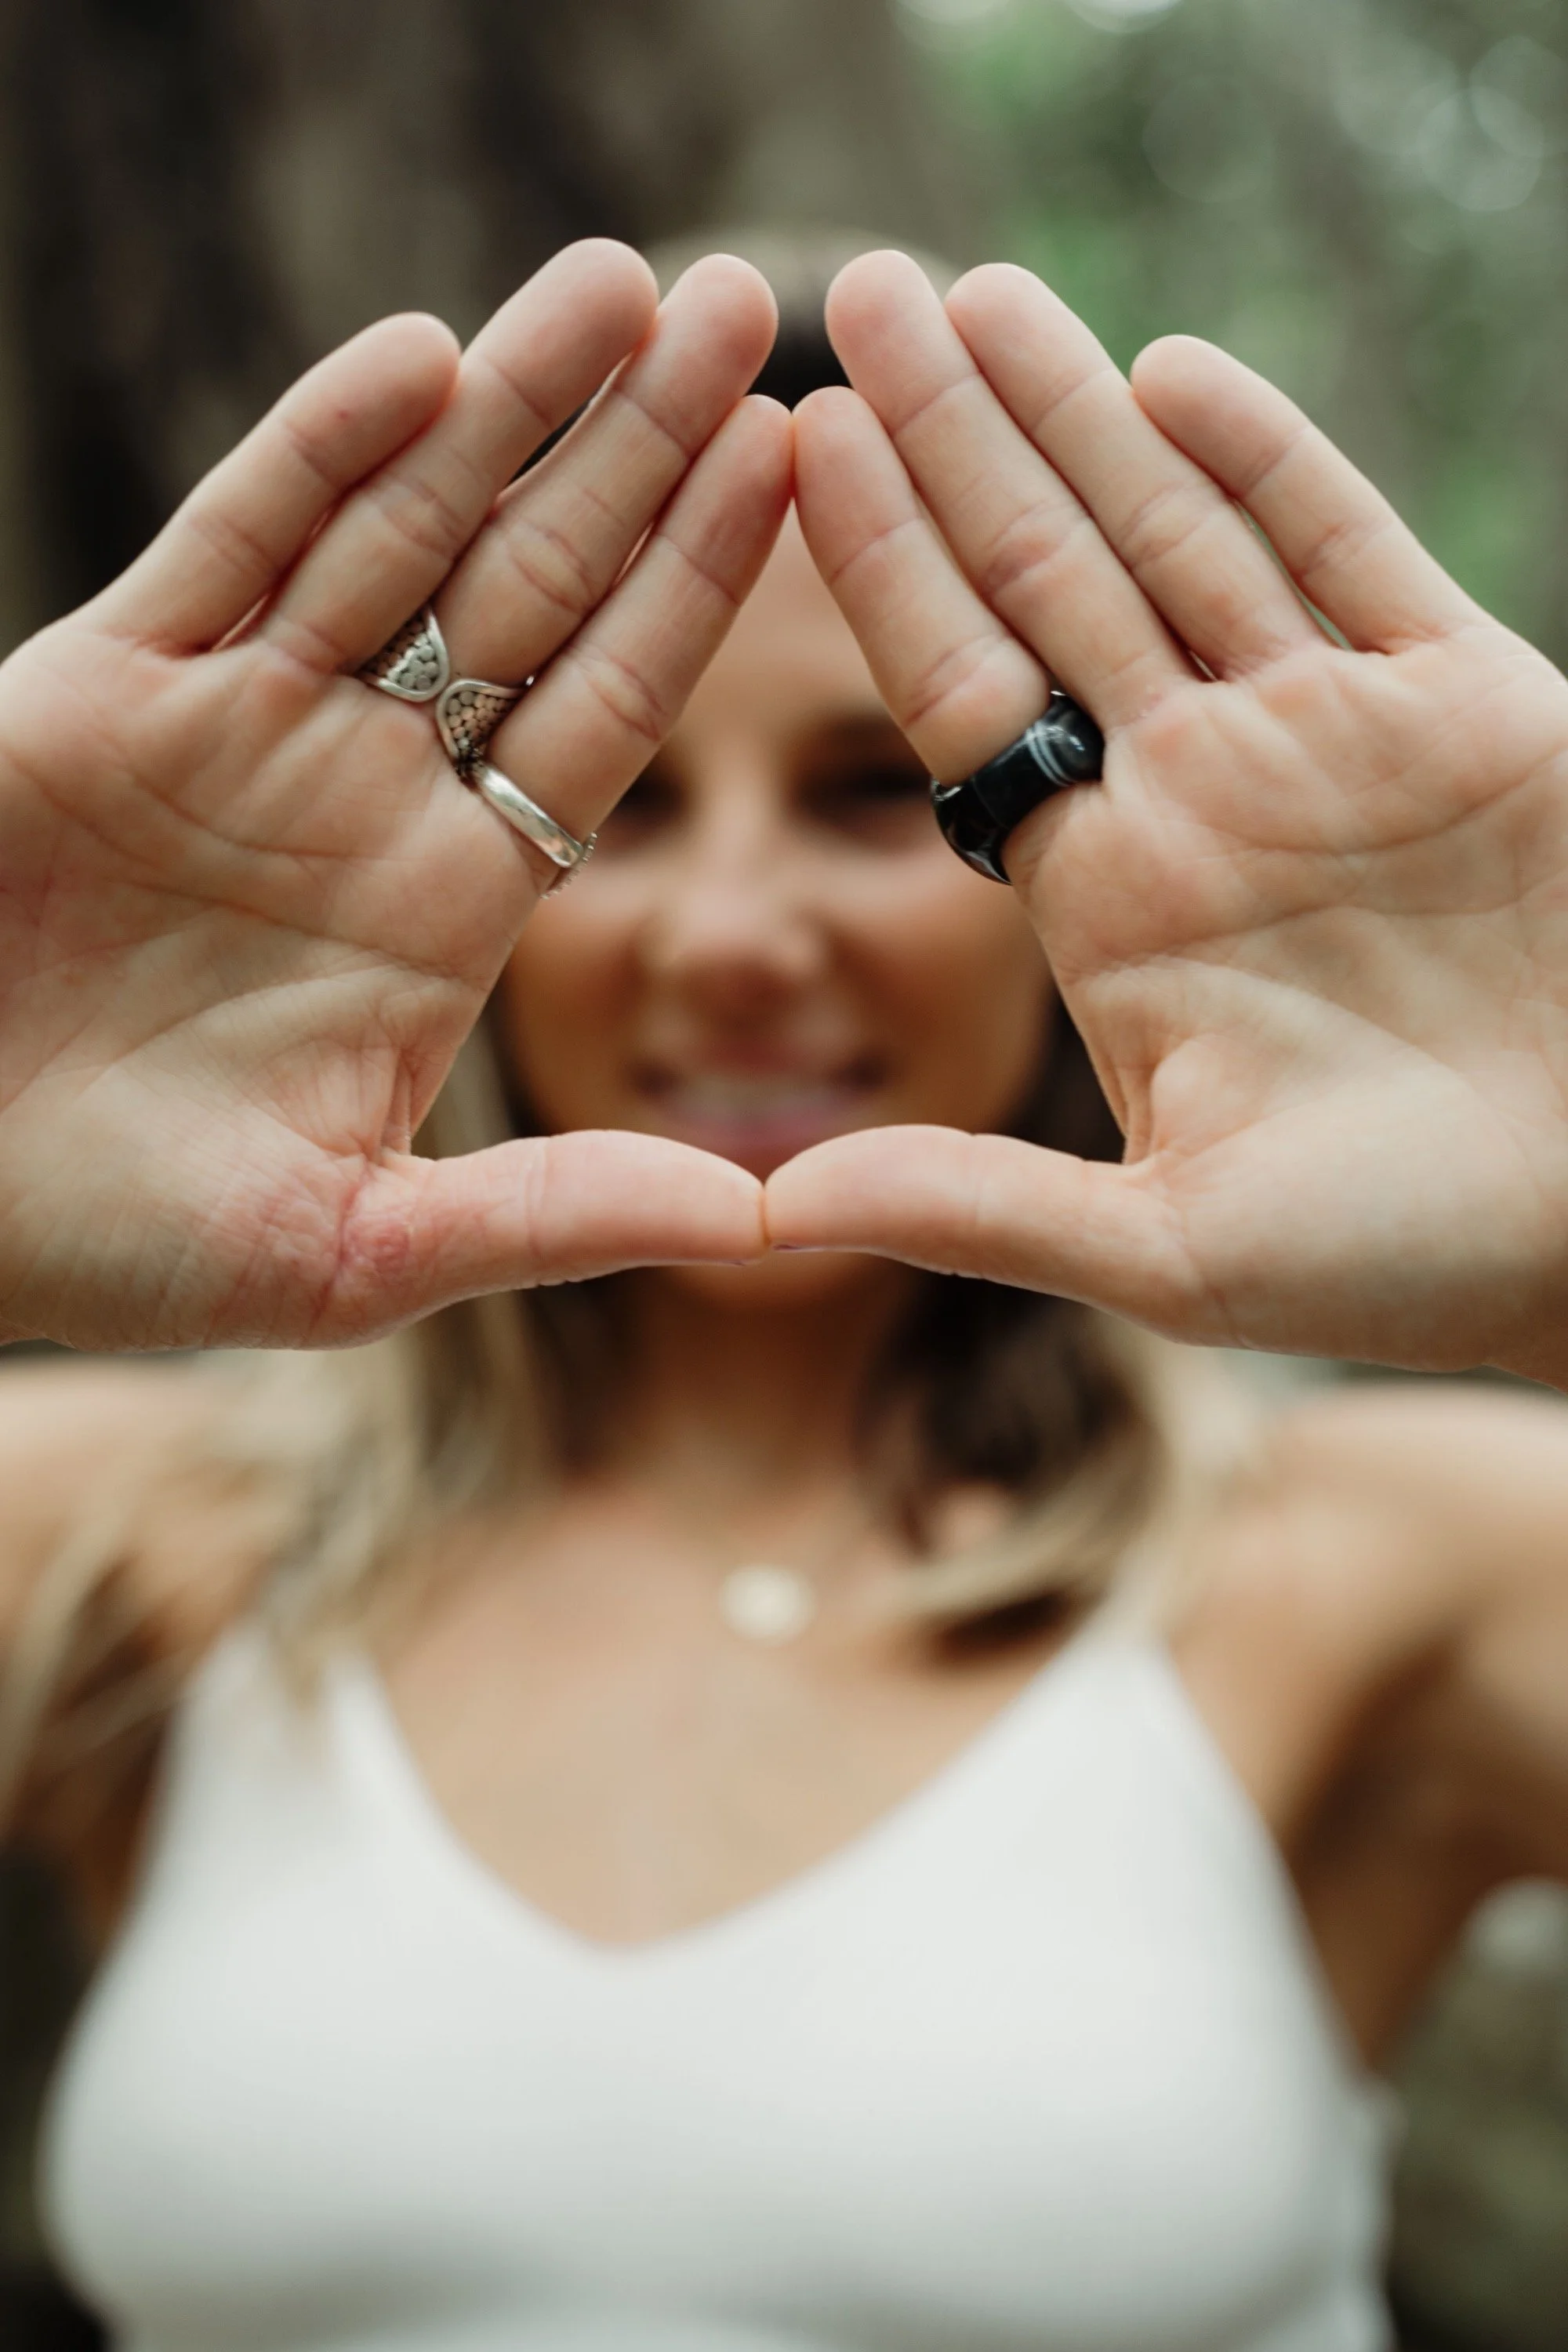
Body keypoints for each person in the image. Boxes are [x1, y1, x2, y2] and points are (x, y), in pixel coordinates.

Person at [4, 231, 1568, 2349]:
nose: (731, 931)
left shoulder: (1391, 1566)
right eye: (604, 808)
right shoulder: (130, 1540)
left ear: (1082, 886)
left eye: (888, 795)